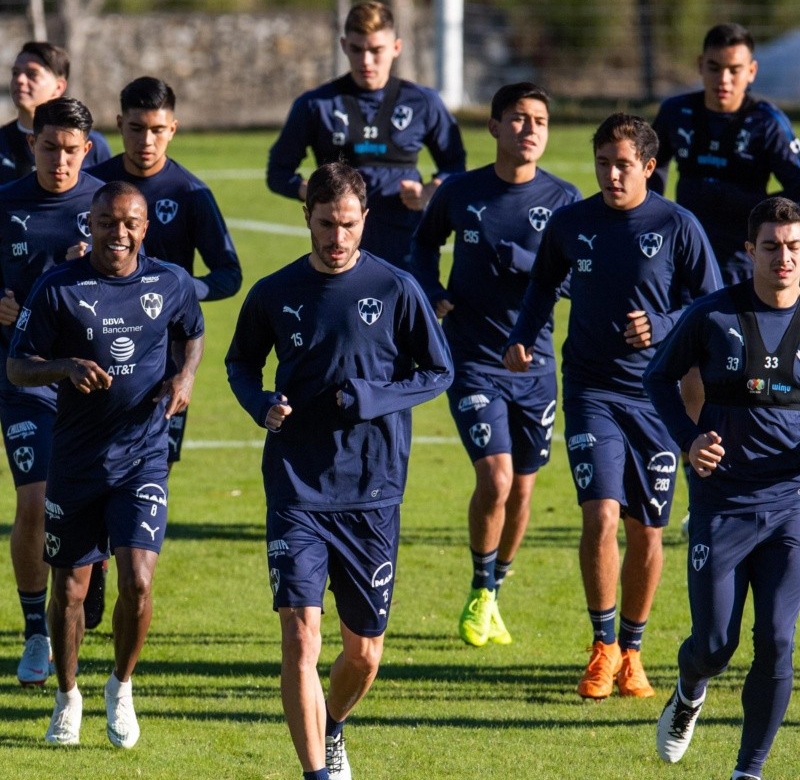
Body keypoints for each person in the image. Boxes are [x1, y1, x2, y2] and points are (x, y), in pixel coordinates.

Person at [226, 162, 452, 779]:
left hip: (372, 490)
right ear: (307, 217)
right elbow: (241, 364)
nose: (336, 237)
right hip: (297, 487)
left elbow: (438, 372)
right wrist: (260, 404)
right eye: (325, 224)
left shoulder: (397, 288)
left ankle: (334, 724)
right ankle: (316, 773)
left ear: (365, 220)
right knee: (301, 638)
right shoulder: (273, 292)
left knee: (366, 654)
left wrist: (373, 397)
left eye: (348, 224)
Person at [503, 113, 721, 699]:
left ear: (649, 166)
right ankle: (600, 647)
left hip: (656, 396)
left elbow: (711, 303)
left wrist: (663, 323)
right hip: (591, 388)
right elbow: (543, 285)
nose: (611, 174)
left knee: (646, 531)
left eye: (623, 164)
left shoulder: (678, 225)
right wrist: (521, 336)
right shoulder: (572, 224)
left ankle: (632, 650)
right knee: (600, 513)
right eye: (603, 163)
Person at [7, 180, 204, 747]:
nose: (119, 233)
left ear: (145, 227)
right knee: (70, 591)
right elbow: (19, 368)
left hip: (143, 455)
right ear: (89, 225)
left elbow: (193, 332)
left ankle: (121, 686)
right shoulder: (57, 288)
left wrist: (184, 377)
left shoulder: (169, 282)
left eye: (131, 223)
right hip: (75, 460)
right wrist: (65, 366)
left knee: (138, 581)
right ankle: (68, 697)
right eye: (107, 222)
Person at [410, 82, 581, 647]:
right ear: (493, 127)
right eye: (517, 119)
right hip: (473, 357)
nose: (529, 130)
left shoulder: (565, 200)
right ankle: (480, 589)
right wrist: (432, 290)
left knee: (525, 491)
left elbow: (583, 277)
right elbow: (422, 246)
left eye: (539, 121)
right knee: (497, 477)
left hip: (535, 364)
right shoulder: (461, 191)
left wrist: (530, 261)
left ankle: (495, 593)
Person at [644, 197, 800, 780]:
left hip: (792, 506)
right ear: (749, 251)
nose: (783, 257)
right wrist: (687, 440)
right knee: (714, 645)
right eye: (771, 246)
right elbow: (657, 376)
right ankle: (689, 690)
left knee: (778, 642)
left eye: (793, 247)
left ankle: (748, 771)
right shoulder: (712, 315)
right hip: (723, 504)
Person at [85, 76, 242, 627]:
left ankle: (120, 565)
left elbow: (228, 274)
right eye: (134, 129)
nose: (145, 141)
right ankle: (94, 561)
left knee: (148, 474)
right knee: (87, 467)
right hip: (92, 360)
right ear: (119, 125)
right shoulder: (93, 185)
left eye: (156, 130)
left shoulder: (192, 194)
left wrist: (175, 287)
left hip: (166, 370)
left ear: (173, 129)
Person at [0, 96, 104, 686]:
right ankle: (36, 630)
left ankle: (86, 601)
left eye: (71, 151)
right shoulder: (6, 204)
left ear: (86, 151)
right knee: (35, 499)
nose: (59, 161)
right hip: (26, 380)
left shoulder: (106, 205)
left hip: (95, 385)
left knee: (93, 505)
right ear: (31, 144)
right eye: (49, 147)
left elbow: (149, 282)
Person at [267, 0, 466, 269]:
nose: (366, 61)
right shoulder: (316, 105)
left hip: (408, 252)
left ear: (396, 47)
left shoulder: (423, 102)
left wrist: (429, 191)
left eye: (376, 50)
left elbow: (455, 165)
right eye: (357, 49)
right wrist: (311, 192)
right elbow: (278, 172)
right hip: (338, 253)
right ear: (343, 45)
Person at [650, 23, 800, 286]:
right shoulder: (675, 112)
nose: (724, 79)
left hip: (741, 262)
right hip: (683, 255)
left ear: (752, 71)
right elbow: (649, 171)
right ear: (700, 65)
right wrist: (654, 221)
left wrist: (751, 206)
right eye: (714, 68)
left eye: (734, 70)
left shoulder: (767, 122)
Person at [0, 41, 111, 186]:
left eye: (32, 74)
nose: (19, 80)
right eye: (15, 73)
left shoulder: (95, 145)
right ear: (32, 142)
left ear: (58, 87)